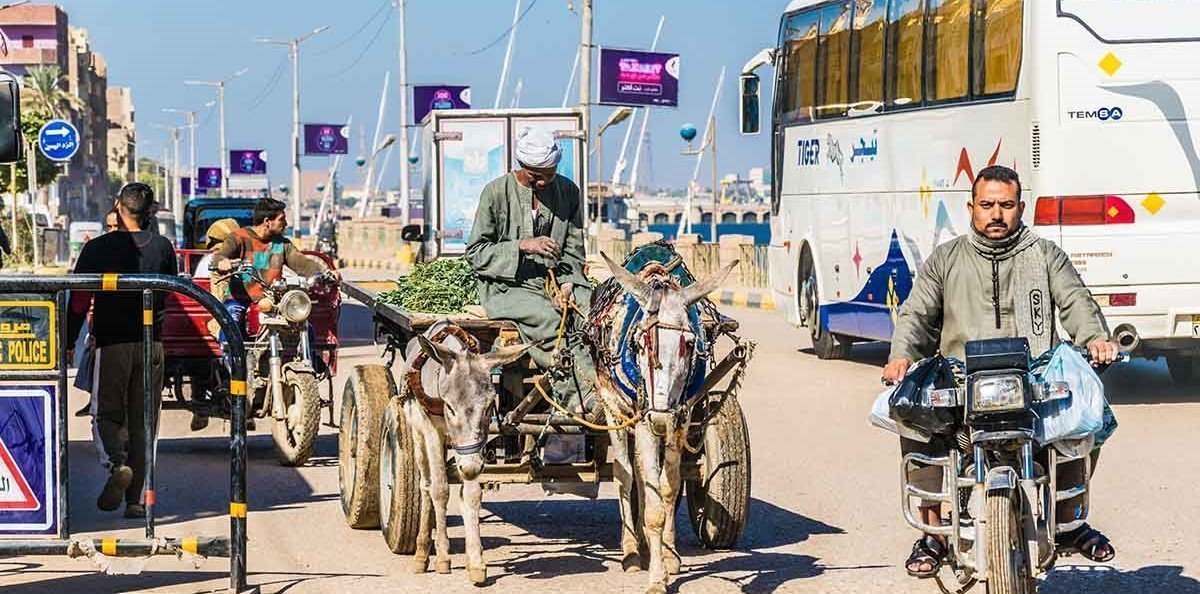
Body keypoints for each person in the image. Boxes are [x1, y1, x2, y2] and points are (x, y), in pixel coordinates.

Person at [882, 165, 1119, 577]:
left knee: (1088, 415)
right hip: (960, 378)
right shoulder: (946, 258)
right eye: (987, 205)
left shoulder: (1044, 254)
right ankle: (934, 532)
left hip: (1035, 377)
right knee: (912, 417)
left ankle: (1068, 520)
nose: (996, 214)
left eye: (1006, 205)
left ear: (1020, 207)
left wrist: (1095, 338)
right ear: (971, 208)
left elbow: (1076, 300)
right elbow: (916, 313)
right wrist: (901, 356)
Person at [464, 127, 597, 415]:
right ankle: (578, 400)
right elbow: (476, 254)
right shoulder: (496, 192)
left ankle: (611, 387)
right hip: (506, 286)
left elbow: (574, 251)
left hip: (556, 281)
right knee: (550, 321)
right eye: (535, 175)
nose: (542, 181)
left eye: (548, 174)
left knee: (593, 315)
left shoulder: (568, 191)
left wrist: (569, 284)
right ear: (521, 166)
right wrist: (523, 245)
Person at [67, 183, 178, 518]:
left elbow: (79, 300)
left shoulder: (98, 248)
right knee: (144, 421)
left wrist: (69, 341)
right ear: (151, 212)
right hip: (152, 344)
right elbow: (170, 293)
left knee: (106, 414)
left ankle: (116, 465)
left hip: (112, 343)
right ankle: (134, 500)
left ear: (118, 207)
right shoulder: (162, 247)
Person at [211, 198, 332, 335]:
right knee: (230, 324)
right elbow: (219, 257)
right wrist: (223, 262)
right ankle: (229, 355)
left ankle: (308, 355)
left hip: (274, 301)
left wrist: (324, 272)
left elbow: (301, 263)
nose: (286, 224)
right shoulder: (238, 238)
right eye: (282, 219)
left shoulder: (282, 244)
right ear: (267, 222)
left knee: (306, 328)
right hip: (240, 300)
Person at [73, 208, 124, 418]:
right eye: (109, 226)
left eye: (116, 226)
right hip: (102, 326)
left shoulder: (147, 248)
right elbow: (80, 297)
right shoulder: (97, 250)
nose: (112, 231)